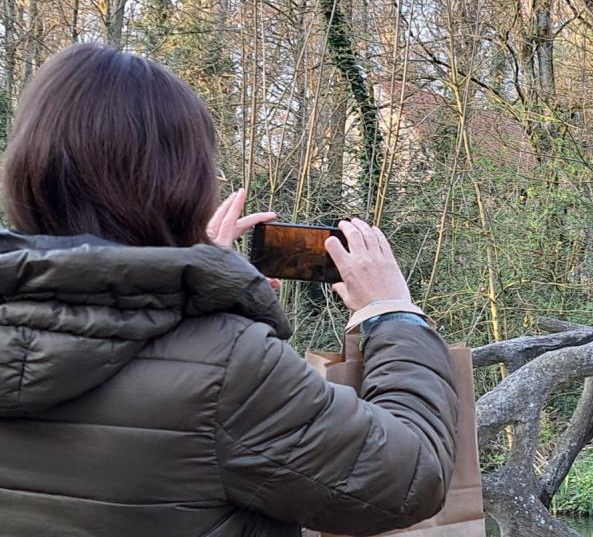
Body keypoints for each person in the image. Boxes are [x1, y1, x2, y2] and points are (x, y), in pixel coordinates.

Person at [0, 43, 459, 537]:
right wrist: (392, 314)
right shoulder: (226, 366)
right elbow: (410, 479)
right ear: (179, 185)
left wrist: (186, 281)